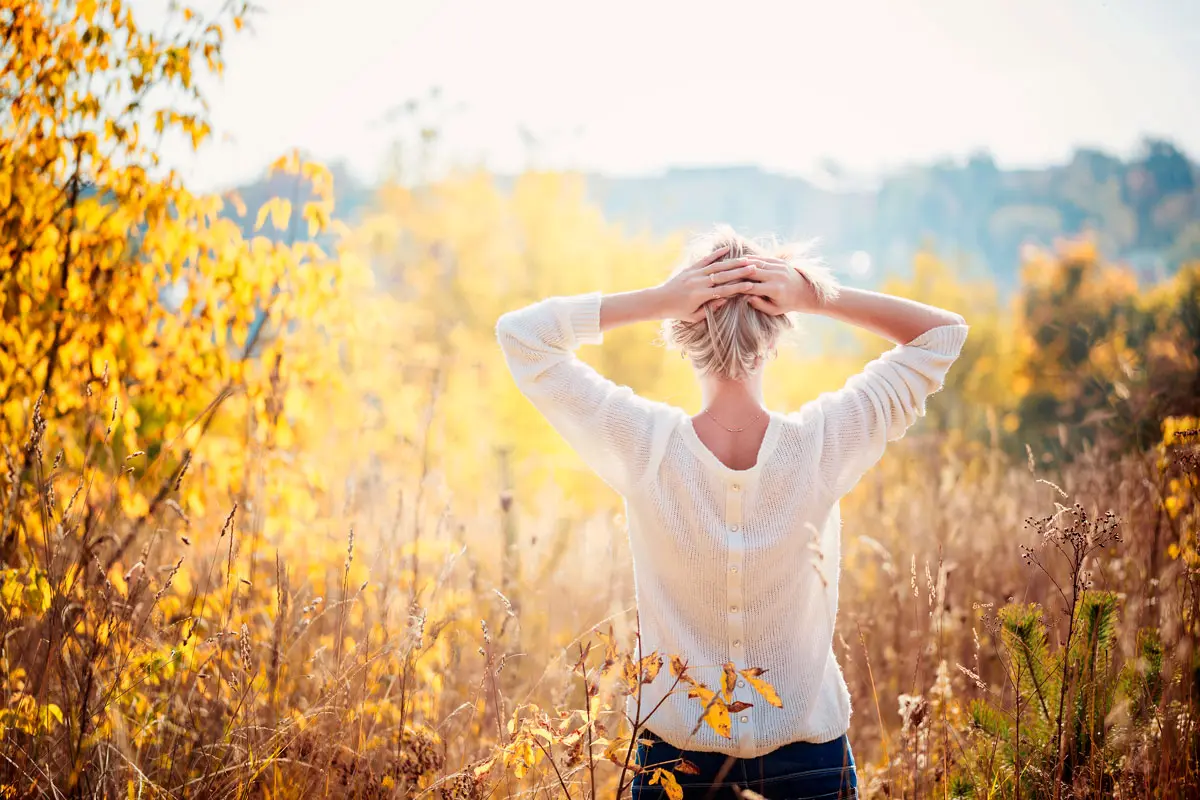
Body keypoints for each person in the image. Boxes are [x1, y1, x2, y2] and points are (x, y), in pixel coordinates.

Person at [495, 225, 968, 799]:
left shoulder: (645, 446)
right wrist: (814, 295)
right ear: (775, 335)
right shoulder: (824, 444)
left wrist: (659, 298)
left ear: (681, 332)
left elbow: (521, 337)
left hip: (674, 765)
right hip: (808, 761)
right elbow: (943, 334)